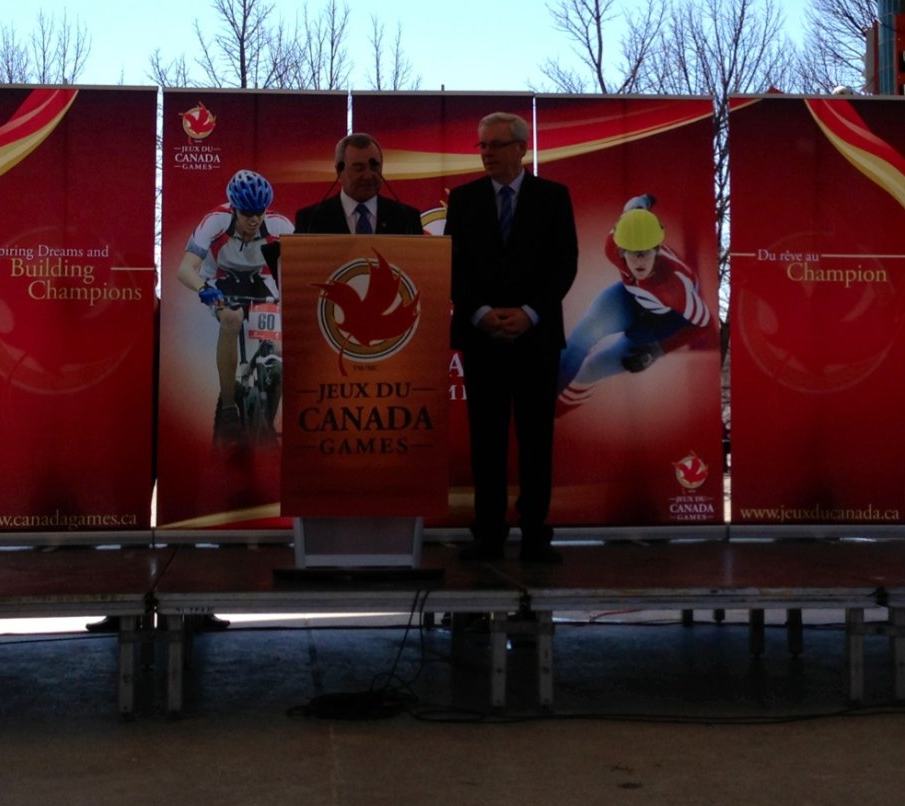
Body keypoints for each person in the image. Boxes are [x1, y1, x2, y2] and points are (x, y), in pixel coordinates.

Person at [446, 111, 578, 564]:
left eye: (496, 145)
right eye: (482, 145)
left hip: (536, 339)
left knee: (536, 437)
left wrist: (529, 313)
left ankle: (536, 531)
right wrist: (481, 313)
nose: (486, 154)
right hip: (482, 338)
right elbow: (452, 268)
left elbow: (565, 264)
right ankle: (488, 531)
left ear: (522, 148)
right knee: (487, 439)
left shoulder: (553, 198)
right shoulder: (463, 201)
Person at [557, 196, 714, 415]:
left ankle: (554, 413)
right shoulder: (612, 246)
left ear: (658, 250)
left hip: (663, 319)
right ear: (620, 251)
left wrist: (657, 350)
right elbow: (634, 208)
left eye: (647, 252)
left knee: (593, 368)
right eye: (632, 252)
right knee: (582, 336)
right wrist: (645, 200)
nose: (640, 262)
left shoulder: (673, 288)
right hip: (630, 296)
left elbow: (706, 324)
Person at [176, 169, 292, 444]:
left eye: (259, 213)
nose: (254, 220)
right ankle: (228, 406)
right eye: (246, 214)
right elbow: (185, 270)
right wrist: (204, 290)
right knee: (231, 319)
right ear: (234, 209)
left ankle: (267, 416)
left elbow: (300, 268)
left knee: (280, 345)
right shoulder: (215, 221)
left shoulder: (279, 225)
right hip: (221, 277)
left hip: (260, 278)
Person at [294, 133, 424, 235]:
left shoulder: (406, 218)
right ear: (339, 170)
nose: (368, 176)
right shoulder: (312, 219)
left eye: (374, 166)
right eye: (359, 168)